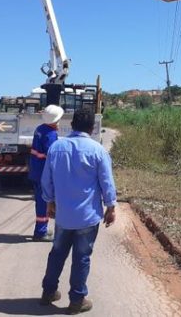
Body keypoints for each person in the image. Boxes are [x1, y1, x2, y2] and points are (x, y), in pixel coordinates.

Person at [40, 108, 117, 314]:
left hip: (63, 216)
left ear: (72, 124)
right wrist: (111, 207)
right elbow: (106, 182)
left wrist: (49, 202)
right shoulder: (97, 150)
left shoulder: (56, 148)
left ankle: (48, 292)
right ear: (92, 128)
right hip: (87, 217)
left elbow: (46, 180)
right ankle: (77, 300)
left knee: (57, 254)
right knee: (81, 258)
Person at [28, 104, 64, 241]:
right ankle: (40, 232)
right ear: (54, 121)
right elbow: (52, 157)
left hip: (36, 172)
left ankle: (41, 229)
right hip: (44, 174)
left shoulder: (40, 129)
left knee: (40, 202)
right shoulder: (51, 134)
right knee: (45, 203)